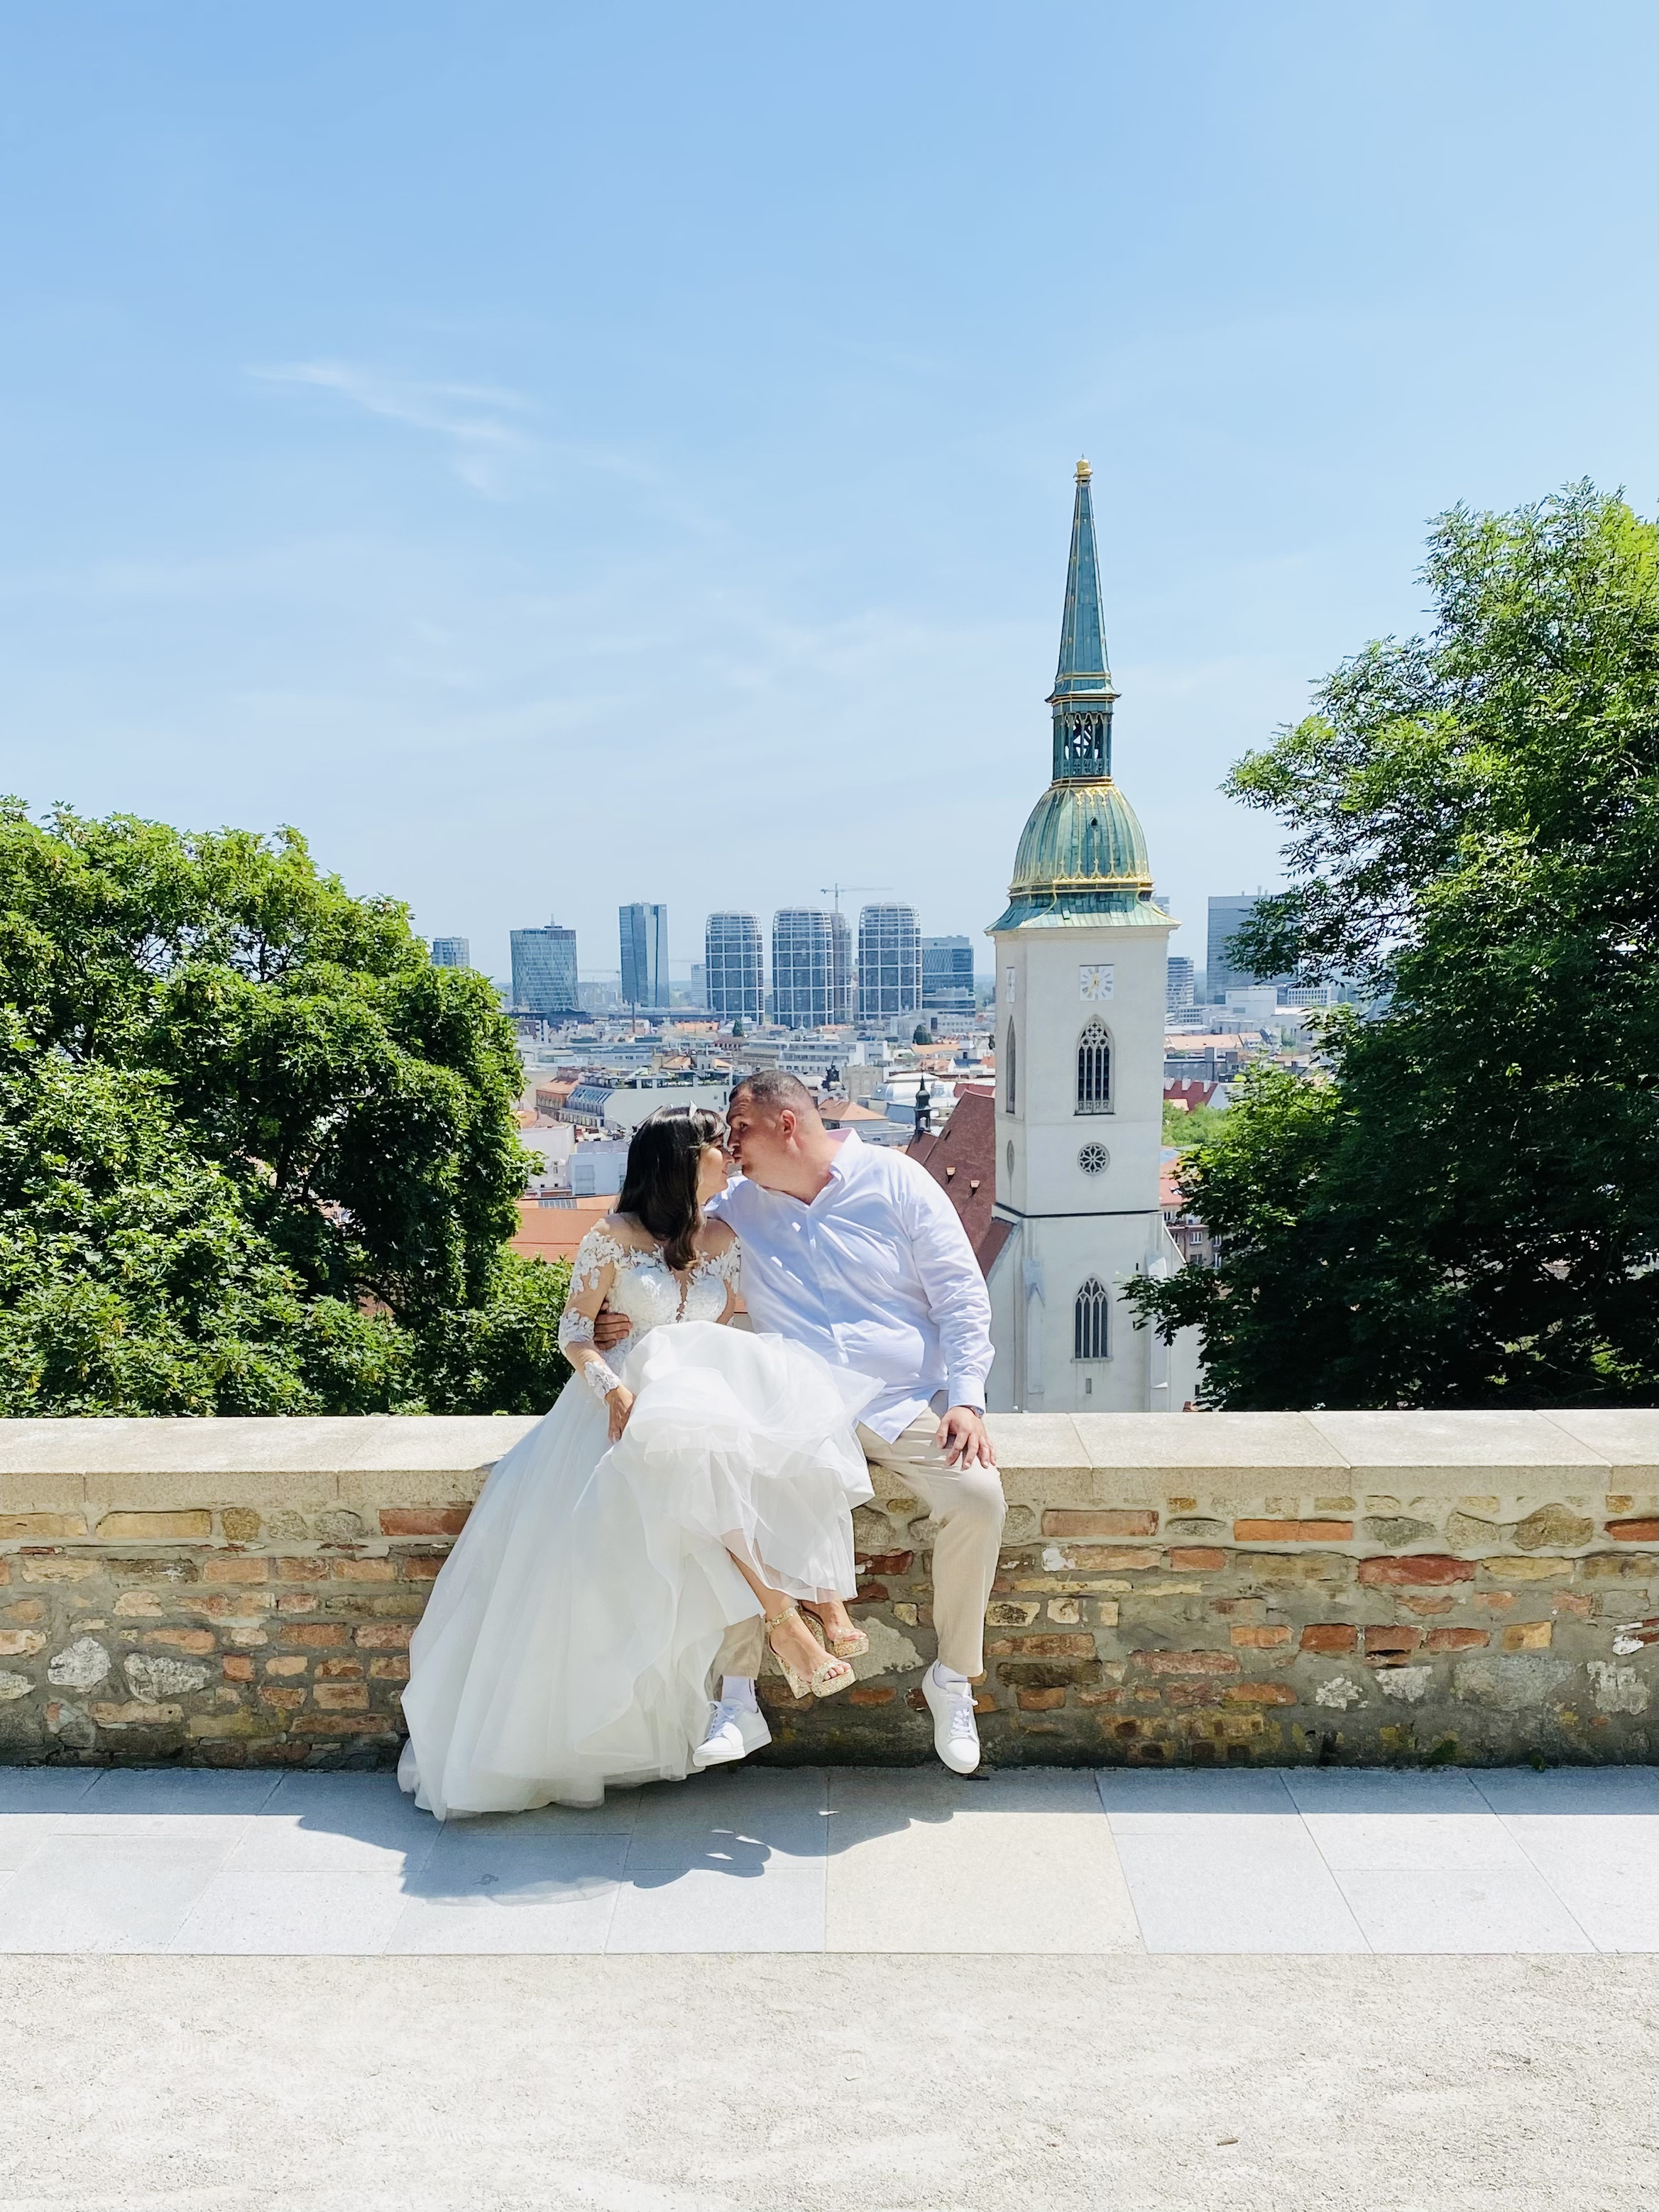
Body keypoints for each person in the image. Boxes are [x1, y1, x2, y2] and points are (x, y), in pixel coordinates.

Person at [396, 1105, 877, 1817]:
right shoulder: (612, 1235)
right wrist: (616, 1389)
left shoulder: (721, 1236)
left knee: (774, 1430)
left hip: (696, 1402)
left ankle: (811, 1618)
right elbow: (573, 1334)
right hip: (626, 1406)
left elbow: (721, 1323)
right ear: (681, 1159)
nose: (726, 1154)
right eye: (714, 1145)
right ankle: (794, 1623)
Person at [593, 1071, 1004, 1775]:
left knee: (978, 1499)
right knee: (721, 1477)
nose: (729, 1142)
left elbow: (962, 1296)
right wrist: (615, 1316)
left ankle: (954, 1677)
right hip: (795, 1394)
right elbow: (655, 1252)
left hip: (899, 1396)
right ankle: (740, 1691)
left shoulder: (897, 1181)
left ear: (786, 1125)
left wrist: (966, 1397)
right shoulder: (736, 1206)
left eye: (739, 1127)